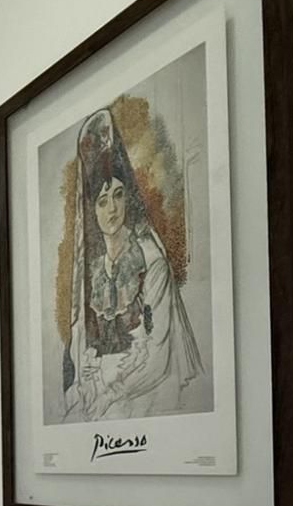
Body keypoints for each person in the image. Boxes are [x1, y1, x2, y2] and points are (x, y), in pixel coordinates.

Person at [60, 107, 205, 423]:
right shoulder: (93, 271)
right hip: (102, 394)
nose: (112, 209)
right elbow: (81, 340)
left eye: (118, 195)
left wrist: (109, 394)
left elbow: (158, 355)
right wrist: (86, 379)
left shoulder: (150, 261)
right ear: (91, 210)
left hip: (145, 392)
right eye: (101, 201)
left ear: (129, 198)